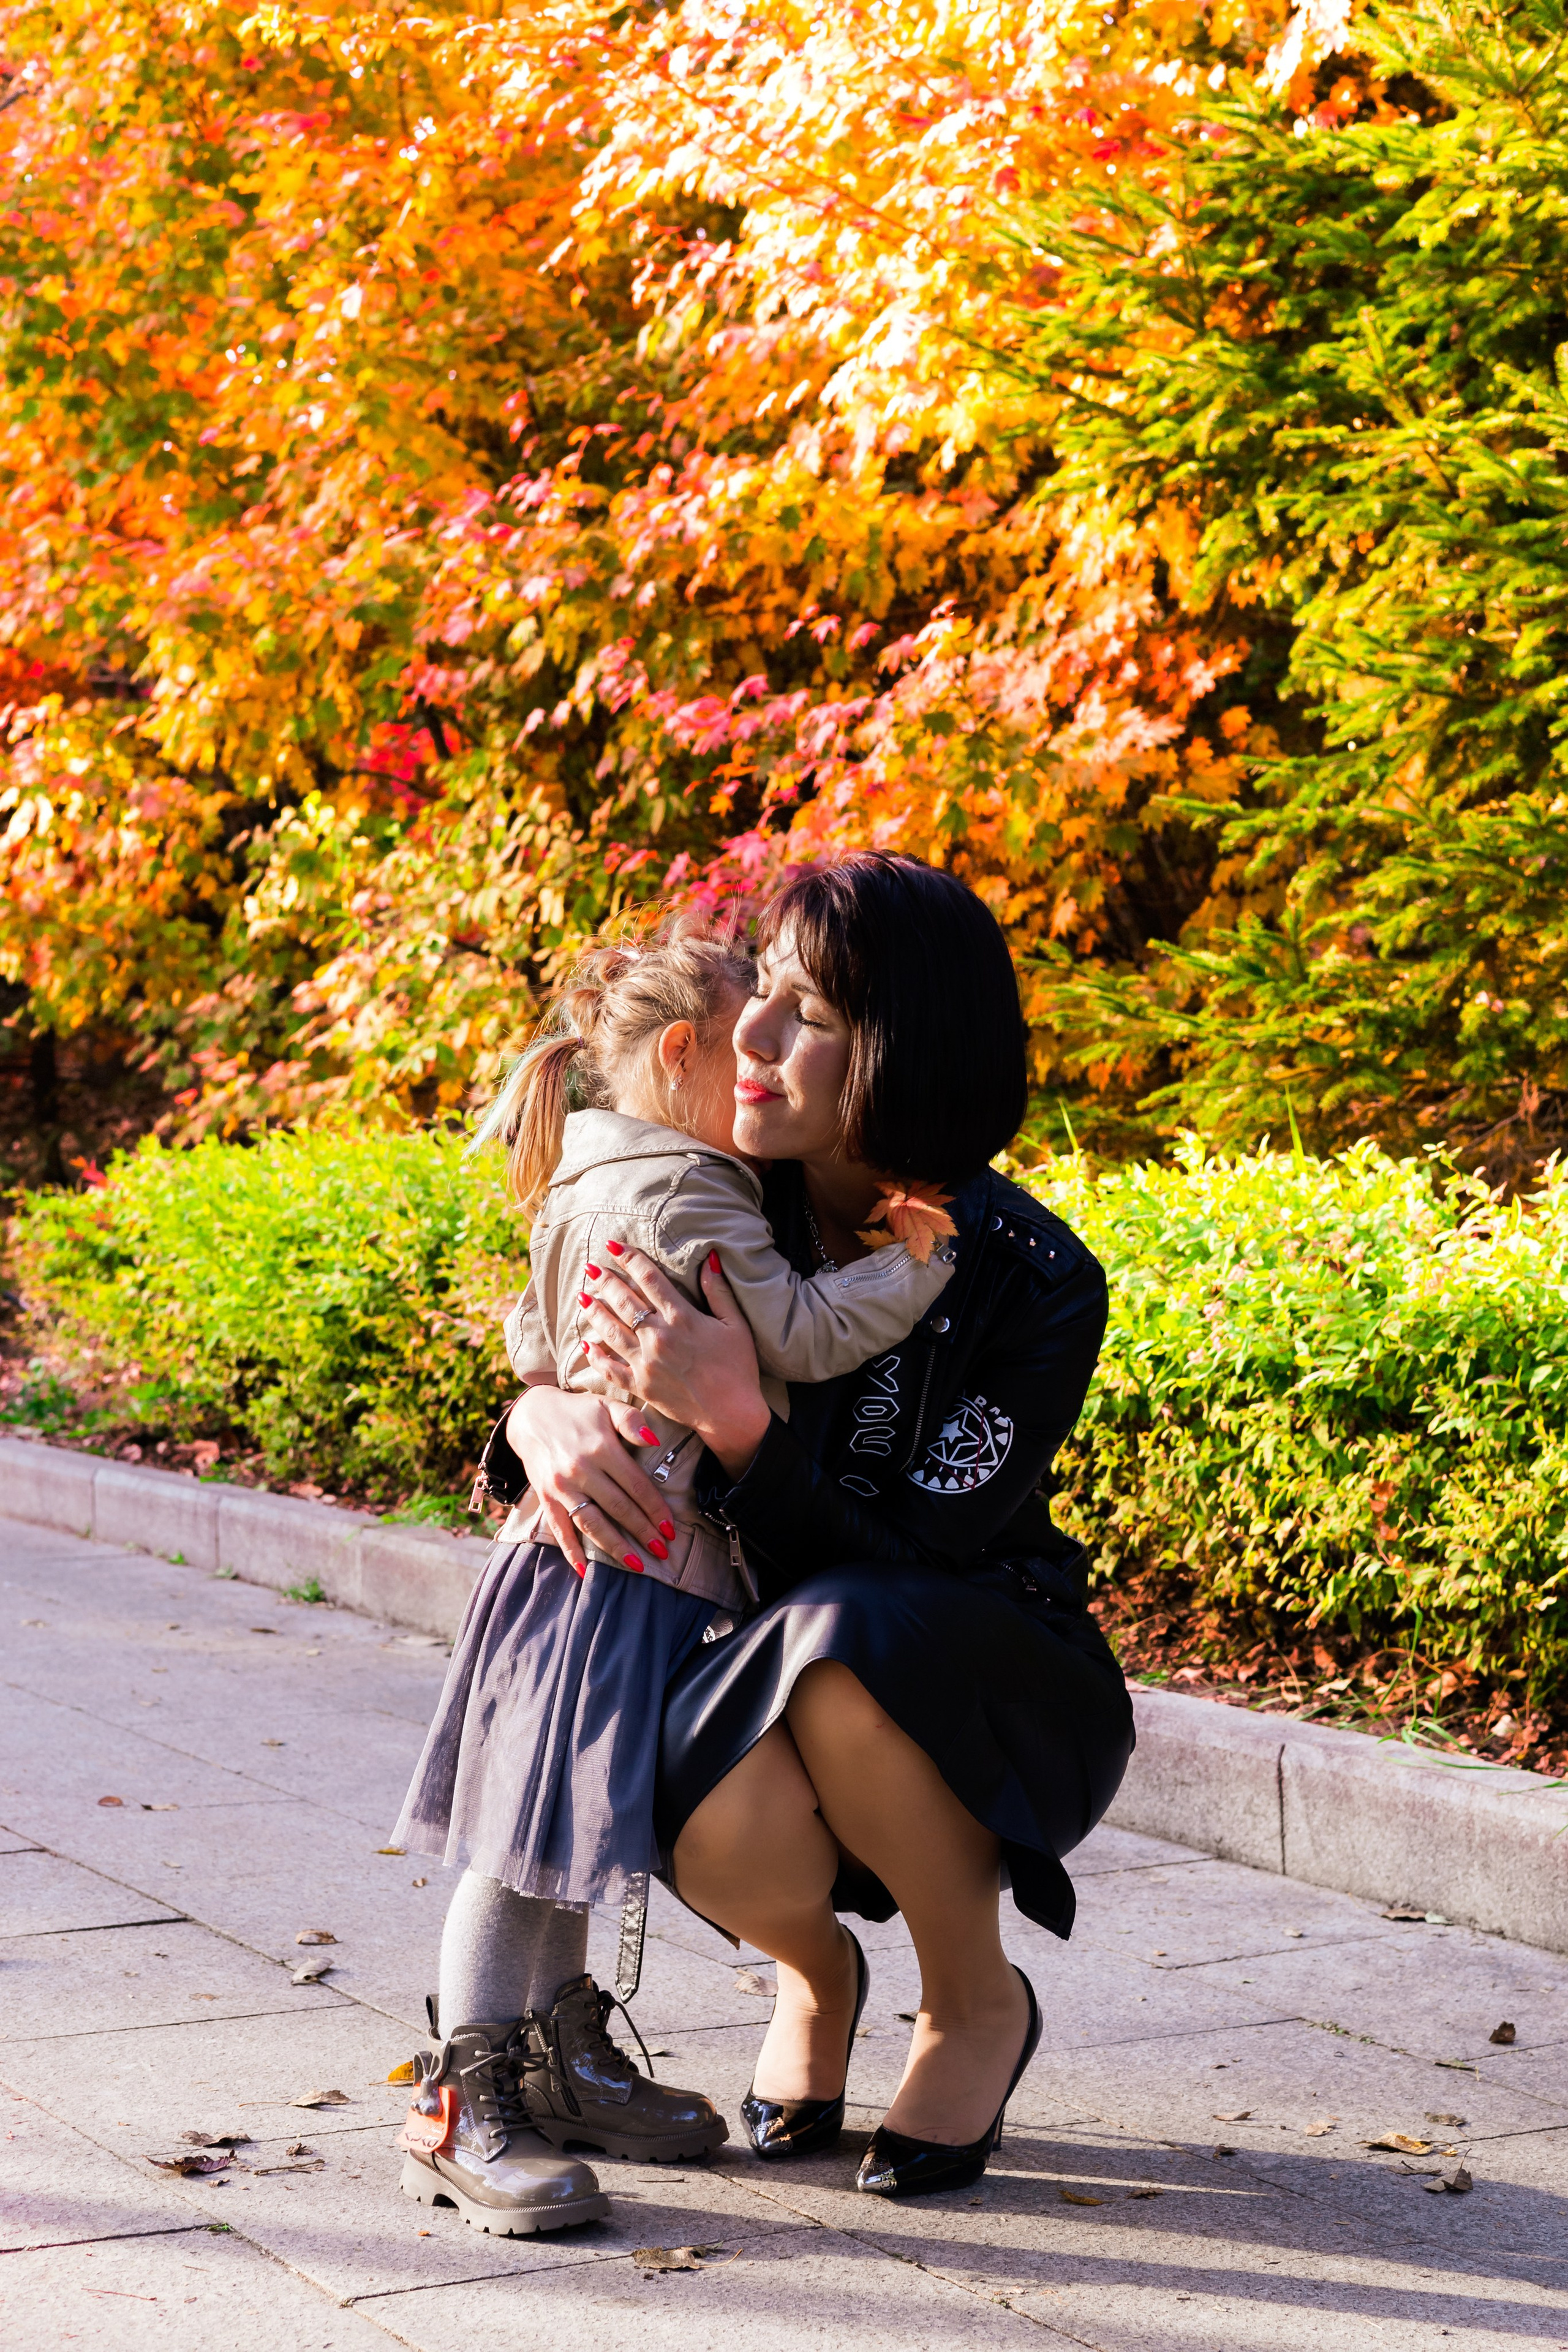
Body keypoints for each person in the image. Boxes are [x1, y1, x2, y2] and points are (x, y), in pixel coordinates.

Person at [531, 851, 1134, 2200]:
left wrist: (744, 1428)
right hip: (763, 1667)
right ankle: (815, 1975)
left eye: (804, 1011)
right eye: (762, 992)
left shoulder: (1028, 1279)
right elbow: (567, 1323)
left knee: (849, 1636)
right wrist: (533, 1416)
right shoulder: (712, 1194)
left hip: (983, 1676)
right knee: (673, 1736)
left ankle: (971, 1999)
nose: (750, 1031)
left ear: (897, 1054)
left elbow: (923, 1551)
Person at [392, 911, 957, 2234]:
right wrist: (920, 1264)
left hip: (590, 1556)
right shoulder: (690, 1187)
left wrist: (548, 1400)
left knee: (566, 1827)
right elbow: (806, 1335)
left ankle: (559, 2058)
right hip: (618, 1561)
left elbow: (537, 1336)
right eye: (746, 1027)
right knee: (527, 1849)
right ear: (691, 1049)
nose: (765, 1051)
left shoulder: (585, 1174)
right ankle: (466, 2097)